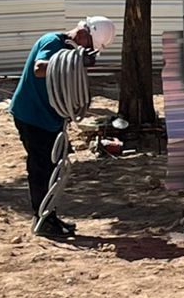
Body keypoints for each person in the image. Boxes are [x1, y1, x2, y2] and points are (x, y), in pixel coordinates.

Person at [10, 15, 115, 240]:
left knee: (52, 168)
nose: (89, 51)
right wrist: (77, 61)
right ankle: (43, 220)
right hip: (32, 116)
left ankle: (49, 216)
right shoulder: (52, 41)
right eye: (91, 47)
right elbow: (39, 68)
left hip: (49, 118)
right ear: (85, 34)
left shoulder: (68, 51)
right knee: (41, 168)